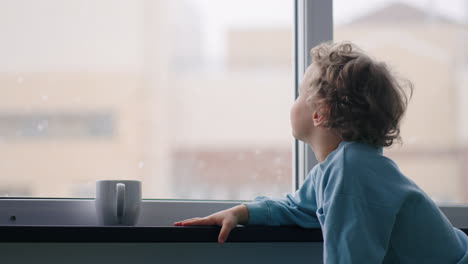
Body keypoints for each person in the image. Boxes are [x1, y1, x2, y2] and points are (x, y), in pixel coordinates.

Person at [174, 41, 468, 263]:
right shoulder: (339, 169)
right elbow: (297, 208)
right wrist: (240, 212)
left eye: (300, 94)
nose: (294, 101)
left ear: (320, 113)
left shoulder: (352, 171)